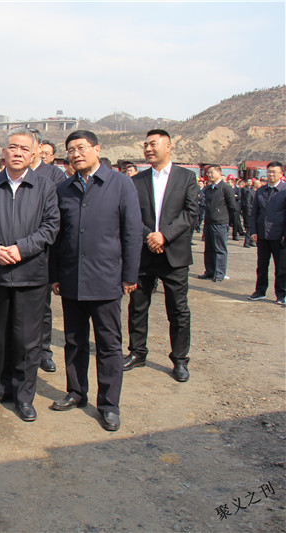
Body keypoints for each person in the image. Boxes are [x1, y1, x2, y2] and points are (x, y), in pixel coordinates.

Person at [50, 130, 143, 432]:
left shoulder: (120, 184)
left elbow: (132, 233)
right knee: (74, 341)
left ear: (97, 149)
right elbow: (57, 236)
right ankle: (76, 392)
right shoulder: (64, 188)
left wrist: (129, 275)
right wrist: (54, 274)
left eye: (81, 148)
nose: (76, 154)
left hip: (106, 279)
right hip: (72, 279)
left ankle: (109, 405)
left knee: (108, 345)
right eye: (70, 150)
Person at [0, 129, 59, 422]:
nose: (17, 152)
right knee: (1, 336)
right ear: (4, 152)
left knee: (27, 340)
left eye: (23, 148)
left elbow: (50, 227)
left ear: (33, 154)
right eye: (12, 147)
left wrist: (21, 249)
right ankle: (2, 387)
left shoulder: (44, 186)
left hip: (31, 275)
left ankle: (24, 395)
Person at [124, 130, 198, 383]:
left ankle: (180, 359)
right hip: (144, 253)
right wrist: (150, 237)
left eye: (153, 144)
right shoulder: (137, 180)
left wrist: (164, 236)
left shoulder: (186, 177)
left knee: (178, 309)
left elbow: (190, 213)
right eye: (145, 145)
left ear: (168, 146)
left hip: (174, 253)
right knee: (137, 306)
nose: (148, 149)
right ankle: (137, 352)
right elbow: (132, 215)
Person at [28, 133, 67, 373]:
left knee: (42, 307)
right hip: (13, 250)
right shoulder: (12, 173)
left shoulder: (54, 175)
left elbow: (57, 216)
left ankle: (43, 351)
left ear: (38, 147)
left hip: (43, 250)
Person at [247, 161, 286, 305]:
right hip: (263, 235)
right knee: (262, 266)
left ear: (281, 174)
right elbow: (254, 213)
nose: (271, 174)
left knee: (281, 268)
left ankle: (281, 294)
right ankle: (260, 291)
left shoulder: (284, 191)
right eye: (269, 171)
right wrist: (253, 231)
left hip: (280, 236)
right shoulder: (261, 191)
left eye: (274, 172)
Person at [197, 165, 236, 283]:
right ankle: (209, 271)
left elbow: (232, 206)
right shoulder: (208, 188)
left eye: (212, 173)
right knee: (208, 248)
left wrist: (223, 216)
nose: (209, 175)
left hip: (220, 223)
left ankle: (219, 273)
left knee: (220, 249)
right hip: (209, 222)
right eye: (208, 173)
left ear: (219, 172)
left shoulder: (225, 187)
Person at [239, 178, 254, 247]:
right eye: (249, 181)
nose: (250, 183)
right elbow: (247, 202)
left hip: (253, 211)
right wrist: (248, 211)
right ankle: (247, 242)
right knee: (249, 227)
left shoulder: (253, 190)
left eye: (251, 181)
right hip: (248, 210)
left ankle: (251, 241)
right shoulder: (246, 190)